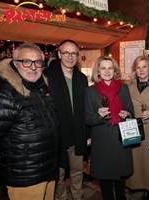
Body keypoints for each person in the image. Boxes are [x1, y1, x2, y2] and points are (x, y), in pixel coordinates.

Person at [0, 43, 59, 200]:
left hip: (47, 171)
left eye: (38, 62)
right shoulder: (3, 95)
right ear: (15, 64)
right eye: (26, 61)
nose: (33, 67)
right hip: (24, 179)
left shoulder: (40, 90)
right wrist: (11, 169)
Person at [44, 39, 89, 200]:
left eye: (74, 53)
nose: (70, 57)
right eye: (66, 52)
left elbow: (85, 108)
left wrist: (87, 134)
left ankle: (78, 196)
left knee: (77, 170)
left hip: (77, 133)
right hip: (57, 135)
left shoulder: (82, 78)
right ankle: (60, 198)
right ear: (59, 53)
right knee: (58, 174)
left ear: (77, 55)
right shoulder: (47, 76)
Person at [85, 56, 134, 200]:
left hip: (120, 138)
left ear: (115, 70)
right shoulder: (90, 91)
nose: (107, 71)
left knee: (121, 176)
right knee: (104, 177)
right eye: (103, 68)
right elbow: (88, 118)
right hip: (102, 141)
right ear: (98, 71)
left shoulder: (123, 88)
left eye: (110, 68)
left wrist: (127, 113)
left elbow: (131, 110)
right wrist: (98, 116)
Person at [125, 55, 149, 200]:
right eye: (138, 67)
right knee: (134, 158)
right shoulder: (127, 85)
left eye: (144, 66)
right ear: (135, 69)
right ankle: (134, 185)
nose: (141, 70)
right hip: (132, 127)